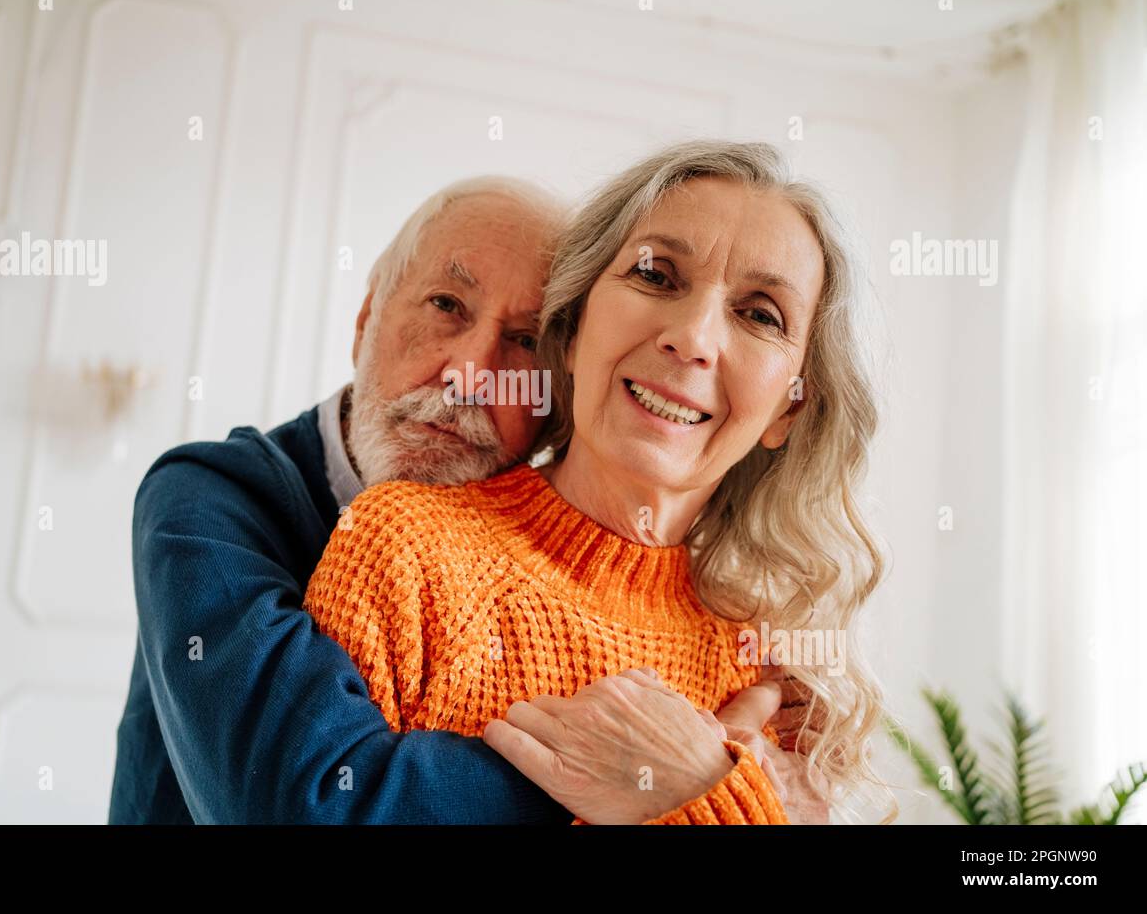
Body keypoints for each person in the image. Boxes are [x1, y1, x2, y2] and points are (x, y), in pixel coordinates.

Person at [109, 173, 818, 823]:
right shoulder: (210, 497)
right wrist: (659, 776)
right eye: (446, 305)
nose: (471, 376)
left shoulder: (720, 616)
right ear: (366, 318)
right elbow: (299, 804)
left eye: (523, 339)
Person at [305, 140, 887, 824]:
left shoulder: (772, 662)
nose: (693, 336)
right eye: (658, 275)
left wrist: (703, 793)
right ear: (575, 328)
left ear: (789, 407)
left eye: (760, 314)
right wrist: (705, 801)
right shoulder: (403, 545)